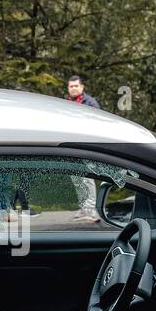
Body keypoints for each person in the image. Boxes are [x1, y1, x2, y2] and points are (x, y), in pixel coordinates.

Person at [66, 75, 100, 221]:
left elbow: (97, 121)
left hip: (87, 146)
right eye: (71, 86)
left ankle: (91, 210)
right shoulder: (65, 103)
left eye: (76, 86)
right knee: (77, 179)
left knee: (87, 178)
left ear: (82, 87)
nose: (73, 88)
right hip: (72, 145)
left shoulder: (90, 103)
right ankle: (83, 208)